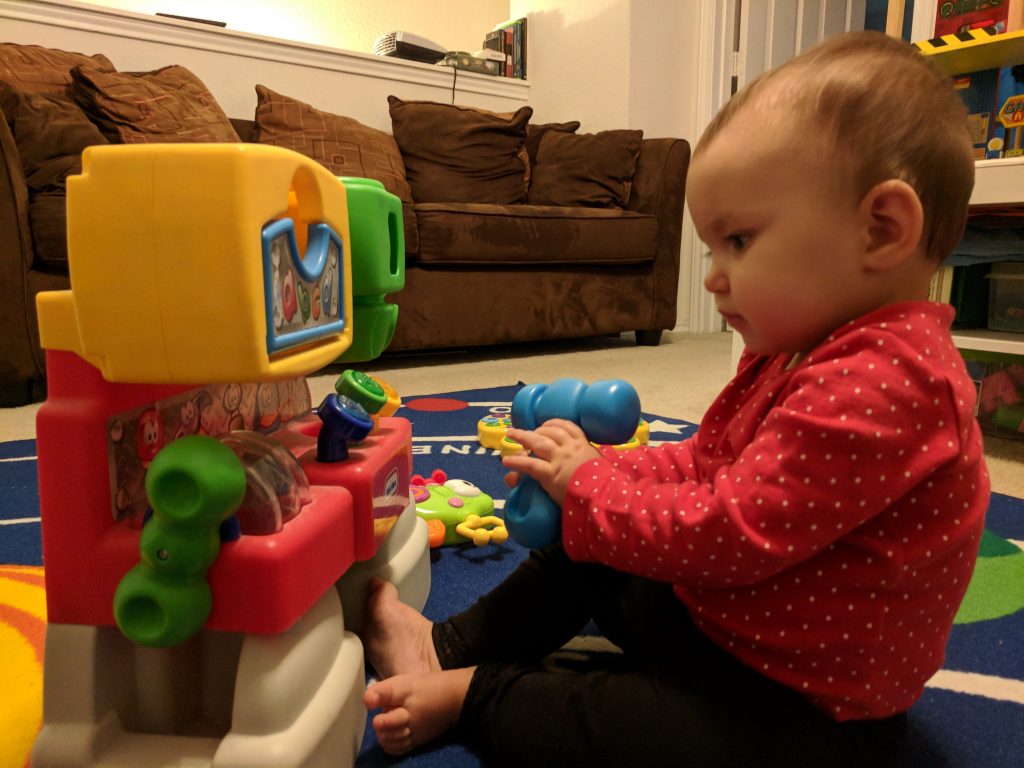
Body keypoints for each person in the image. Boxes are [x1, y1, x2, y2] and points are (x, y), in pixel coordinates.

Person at [360, 30, 989, 767]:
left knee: (613, 724)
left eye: (739, 242)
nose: (713, 276)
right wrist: (598, 470)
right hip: (724, 622)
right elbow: (706, 460)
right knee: (590, 546)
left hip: (802, 706)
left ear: (880, 229)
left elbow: (731, 529)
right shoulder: (797, 349)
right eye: (712, 248)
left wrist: (590, 489)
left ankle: (475, 694)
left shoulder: (890, 384)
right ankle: (447, 644)